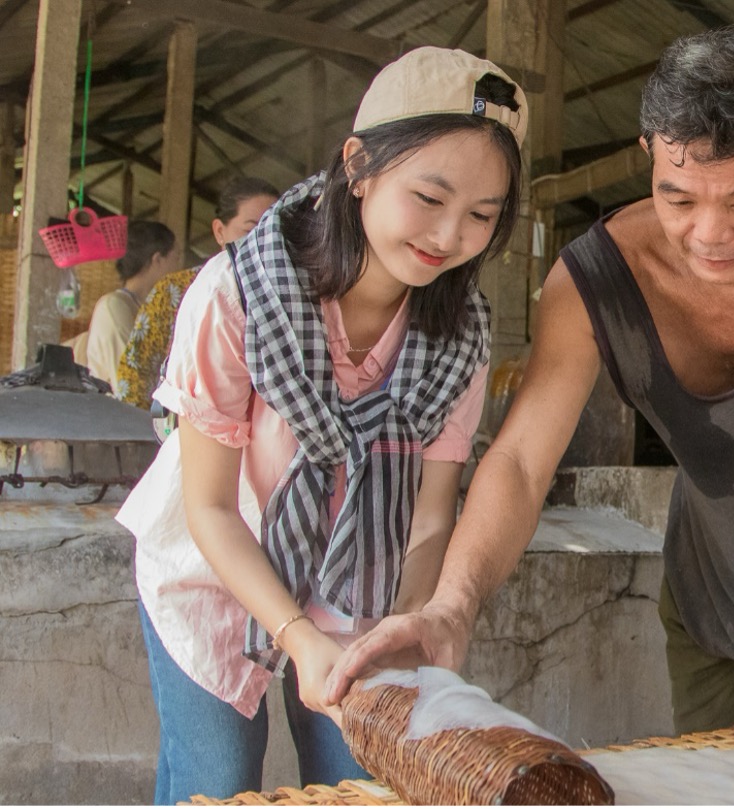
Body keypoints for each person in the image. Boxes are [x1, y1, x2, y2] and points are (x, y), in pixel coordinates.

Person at [328, 25, 734, 788]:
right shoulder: (595, 279)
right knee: (706, 782)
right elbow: (517, 458)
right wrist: (451, 605)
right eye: (677, 198)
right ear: (650, 161)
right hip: (702, 592)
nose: (709, 235)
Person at [114, 47, 526, 802]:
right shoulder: (238, 293)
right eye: (429, 197)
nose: (448, 235)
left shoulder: (460, 333)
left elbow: (429, 519)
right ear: (359, 165)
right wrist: (296, 638)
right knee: (218, 779)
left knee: (359, 781)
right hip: (213, 566)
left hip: (356, 578)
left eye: (481, 216)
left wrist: (400, 635)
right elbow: (208, 505)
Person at [115, 176, 280, 409]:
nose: (263, 242)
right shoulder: (174, 291)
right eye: (251, 230)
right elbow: (135, 373)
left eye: (273, 231)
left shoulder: (287, 297)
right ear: (219, 231)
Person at [82, 220, 181, 392]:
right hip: (118, 415)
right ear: (158, 260)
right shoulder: (114, 307)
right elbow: (128, 379)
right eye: (176, 258)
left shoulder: (144, 308)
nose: (179, 267)